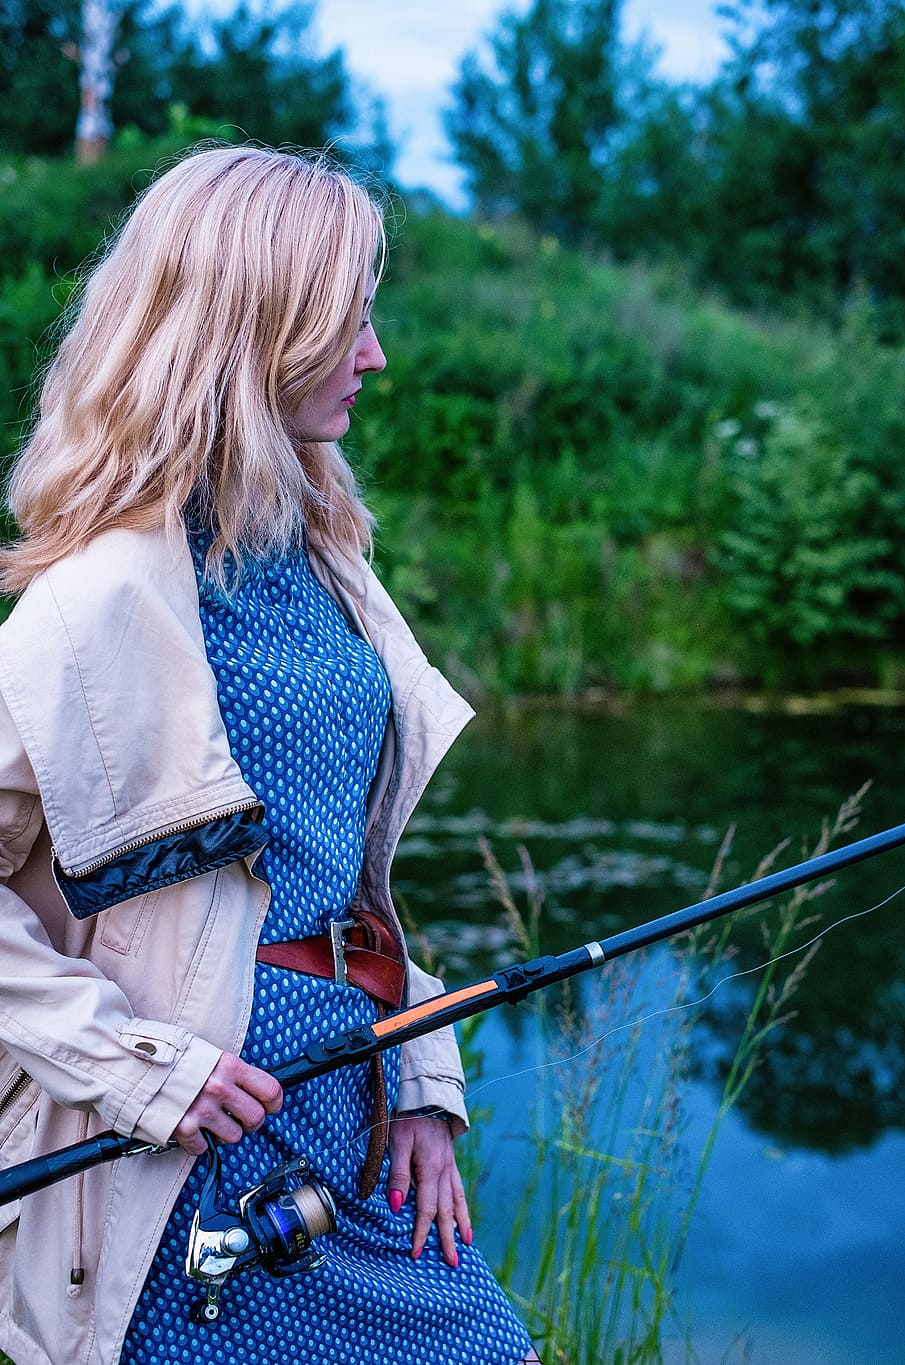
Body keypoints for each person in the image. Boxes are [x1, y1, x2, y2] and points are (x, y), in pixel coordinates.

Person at [0, 144, 542, 1365]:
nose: (375, 354)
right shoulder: (92, 605)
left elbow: (352, 877)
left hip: (350, 1102)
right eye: (347, 321)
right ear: (254, 333)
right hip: (193, 1158)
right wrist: (142, 1069)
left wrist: (420, 1074)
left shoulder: (327, 564)